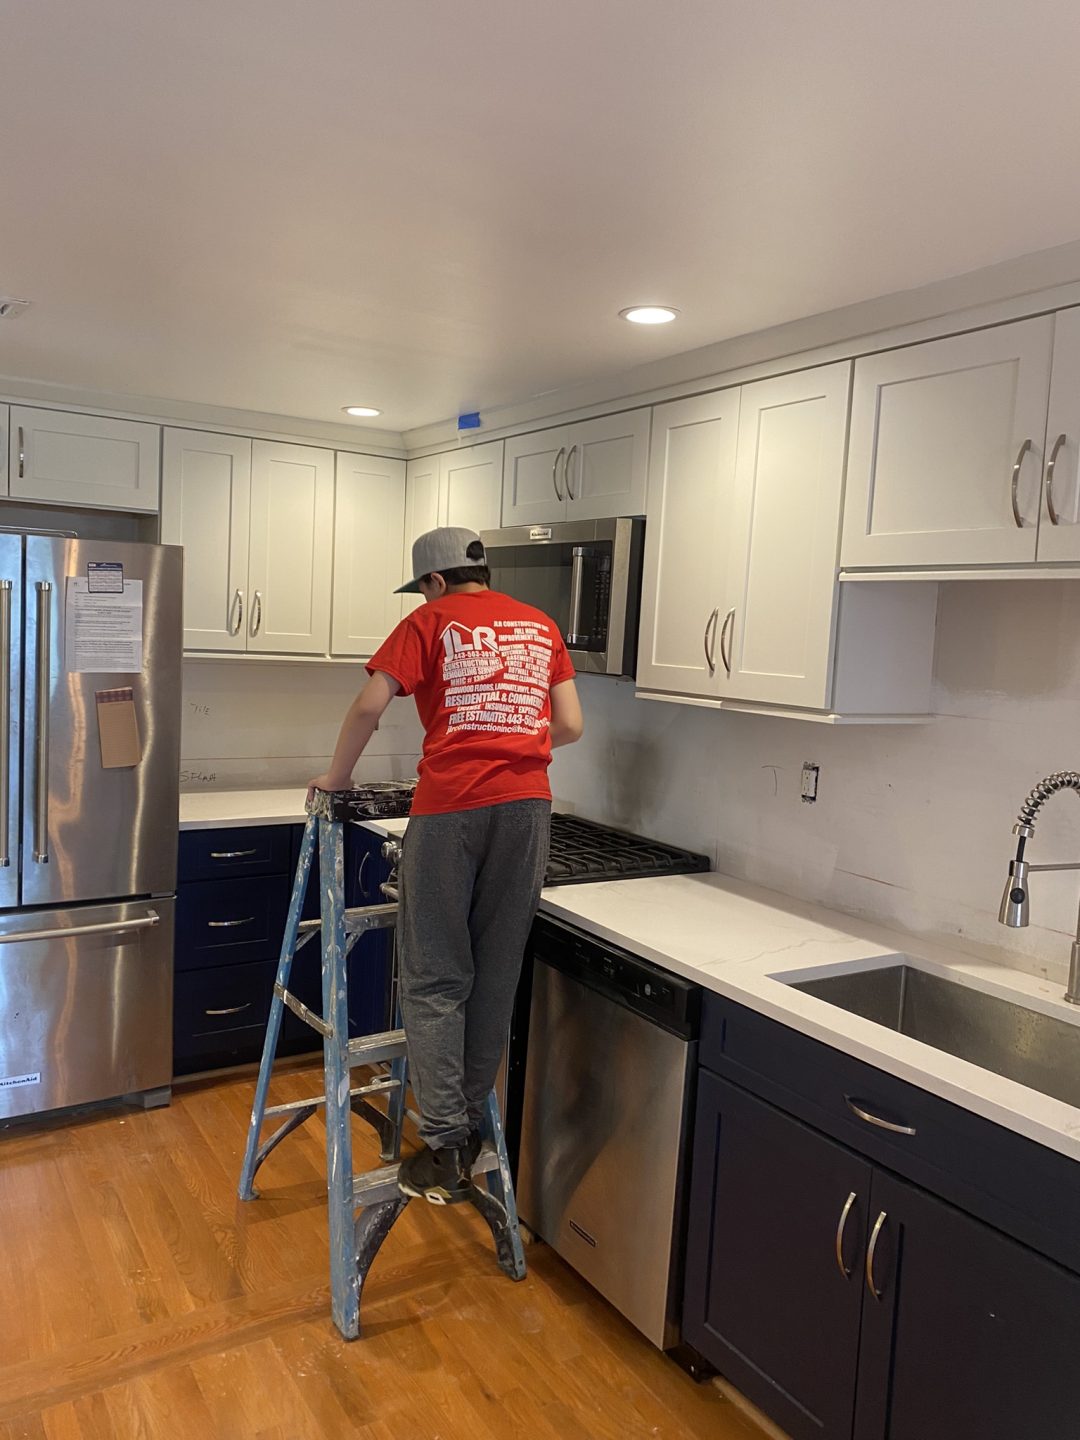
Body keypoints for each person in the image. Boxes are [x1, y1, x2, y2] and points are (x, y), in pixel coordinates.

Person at [307, 526, 583, 1205]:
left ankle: (443, 1147)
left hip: (452, 806)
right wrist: (511, 734)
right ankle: (470, 1135)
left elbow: (372, 703)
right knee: (494, 973)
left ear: (433, 581)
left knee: (434, 976)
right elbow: (570, 726)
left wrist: (335, 781)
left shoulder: (427, 622)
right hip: (528, 810)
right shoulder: (541, 624)